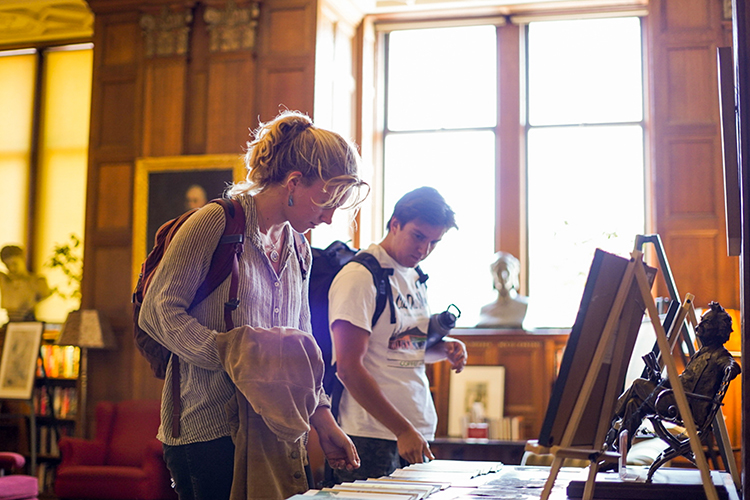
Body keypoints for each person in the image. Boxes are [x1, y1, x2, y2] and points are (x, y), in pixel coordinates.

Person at [138, 110, 366, 500]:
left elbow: (302, 342)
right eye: (326, 203)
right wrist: (234, 354)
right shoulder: (215, 222)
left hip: (273, 431)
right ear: (294, 183)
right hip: (206, 430)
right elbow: (158, 312)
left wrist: (323, 418)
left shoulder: (300, 249)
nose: (328, 219)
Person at [328, 186, 468, 481]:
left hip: (414, 431)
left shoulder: (415, 277)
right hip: (370, 435)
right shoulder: (360, 276)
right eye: (418, 236)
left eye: (434, 242)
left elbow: (403, 348)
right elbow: (348, 368)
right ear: (395, 224)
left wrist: (444, 348)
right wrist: (402, 429)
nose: (424, 250)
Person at [606, 301, 741, 451]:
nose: (699, 326)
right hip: (677, 400)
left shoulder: (718, 355)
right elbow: (681, 382)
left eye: (706, 322)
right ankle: (619, 450)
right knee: (634, 403)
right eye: (701, 321)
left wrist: (730, 369)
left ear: (718, 329)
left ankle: (607, 424)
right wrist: (657, 379)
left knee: (638, 384)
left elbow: (733, 365)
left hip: (687, 407)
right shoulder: (701, 353)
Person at [476, 252, 528, 328]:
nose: (503, 277)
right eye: (499, 271)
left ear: (514, 274)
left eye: (507, 271)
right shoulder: (485, 309)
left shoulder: (525, 306)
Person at [0, 245, 51, 323]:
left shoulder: (38, 282)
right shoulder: (4, 280)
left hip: (29, 320)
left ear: (22, 260)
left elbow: (44, 294)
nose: (11, 268)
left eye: (15, 264)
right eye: (7, 265)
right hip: (10, 322)